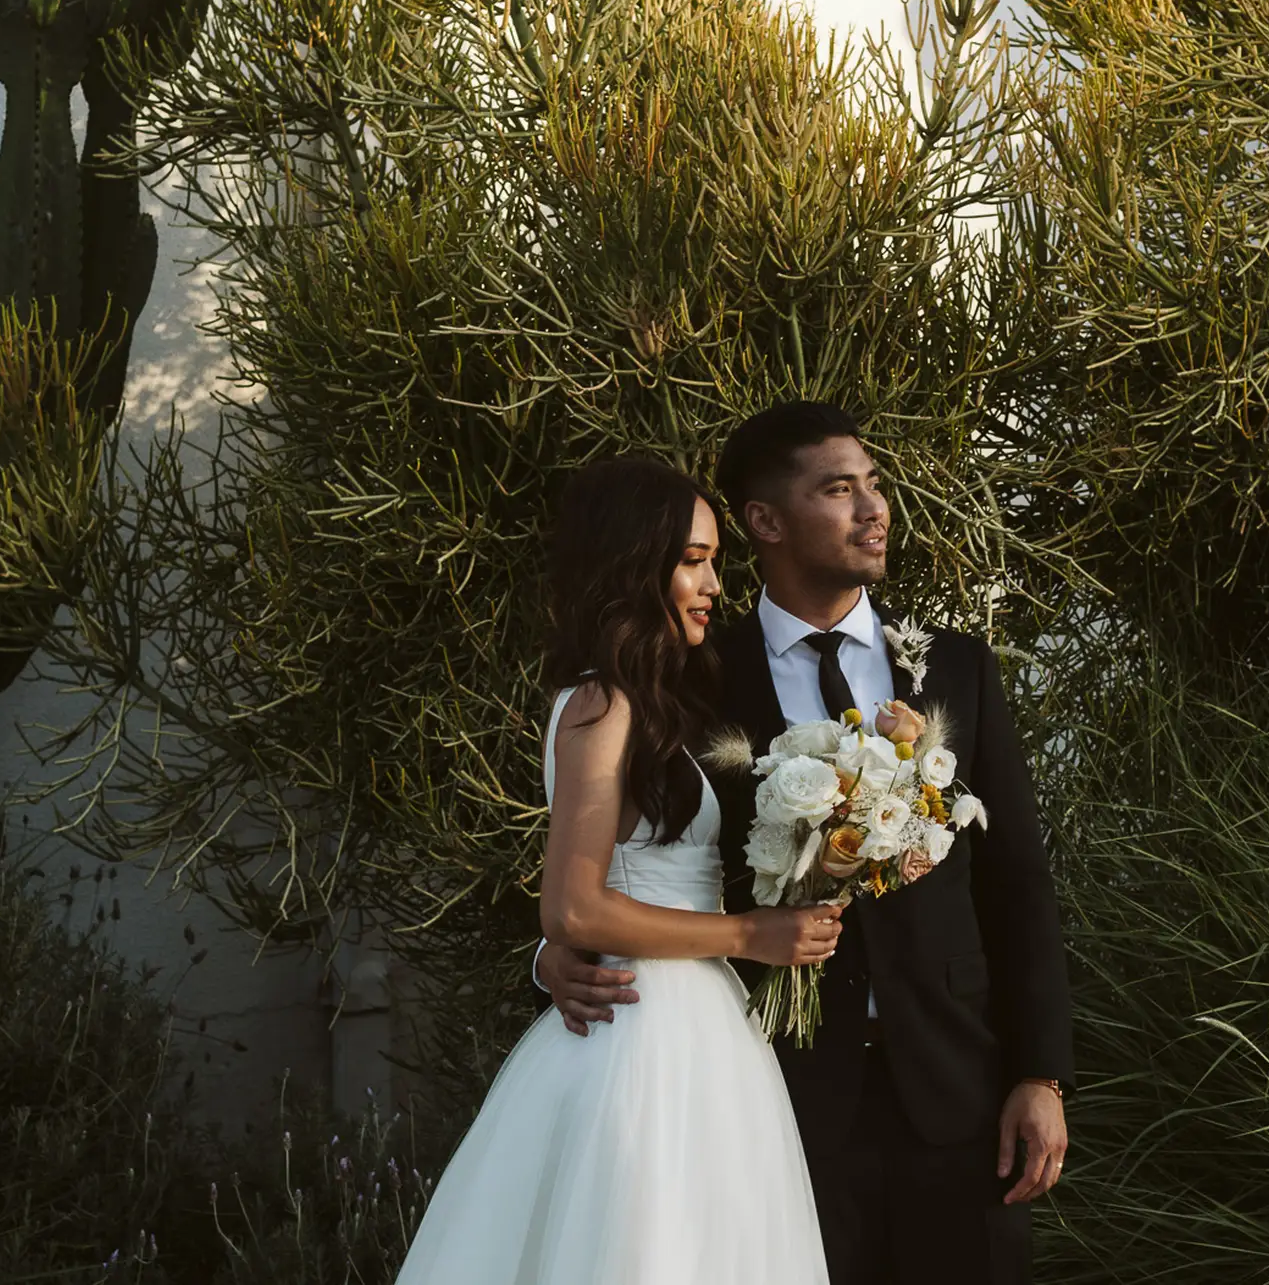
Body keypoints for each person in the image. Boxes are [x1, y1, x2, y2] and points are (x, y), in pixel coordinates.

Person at [540, 404, 1073, 1285]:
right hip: (773, 1099)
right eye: (840, 487)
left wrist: (1042, 1074)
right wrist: (559, 950)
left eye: (873, 483)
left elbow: (1017, 883)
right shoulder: (693, 677)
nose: (875, 508)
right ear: (766, 521)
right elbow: (631, 847)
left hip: (957, 1093)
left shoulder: (955, 668)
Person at [397, 455, 842, 1285]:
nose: (713, 582)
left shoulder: (656, 700)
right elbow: (571, 905)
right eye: (693, 559)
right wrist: (751, 933)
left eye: (714, 559)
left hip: (701, 1028)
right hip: (643, 1038)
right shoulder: (602, 704)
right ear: (636, 564)